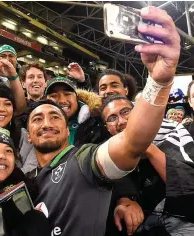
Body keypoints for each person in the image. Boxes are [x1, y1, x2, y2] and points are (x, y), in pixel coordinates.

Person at [23, 6, 181, 235]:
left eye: (55, 116)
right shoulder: (24, 181)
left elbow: (131, 143)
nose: (46, 122)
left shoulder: (83, 160)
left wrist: (159, 82)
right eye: (37, 118)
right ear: (27, 133)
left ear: (69, 131)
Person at [101, 95, 194, 235]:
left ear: (138, 113)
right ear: (107, 128)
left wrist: (147, 148)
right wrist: (125, 200)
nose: (120, 121)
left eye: (125, 112)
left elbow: (189, 187)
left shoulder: (170, 135)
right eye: (112, 118)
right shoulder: (106, 157)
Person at [0, 45, 26, 116]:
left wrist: (12, 77)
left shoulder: (24, 80)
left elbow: (21, 108)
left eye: (11, 56)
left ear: (16, 60)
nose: (7, 59)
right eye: (3, 56)